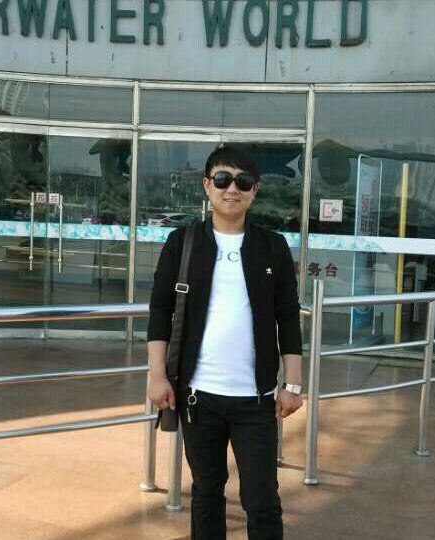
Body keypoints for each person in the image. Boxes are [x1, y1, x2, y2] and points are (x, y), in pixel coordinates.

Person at [147, 145, 303, 540]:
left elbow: (288, 316)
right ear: (207, 185)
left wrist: (293, 385)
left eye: (242, 181)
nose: (232, 189)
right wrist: (156, 375)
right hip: (198, 397)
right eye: (222, 179)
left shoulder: (273, 247)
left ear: (254, 190)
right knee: (206, 493)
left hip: (256, 400)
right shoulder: (182, 242)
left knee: (262, 500)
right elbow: (160, 311)